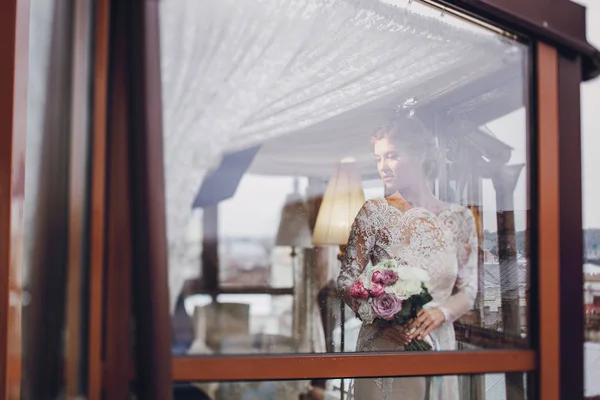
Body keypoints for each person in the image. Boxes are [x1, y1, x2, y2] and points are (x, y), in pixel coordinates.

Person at [338, 117, 478, 400]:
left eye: (392, 155)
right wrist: (381, 318)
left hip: (436, 342)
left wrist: (441, 313)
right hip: (383, 345)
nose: (383, 167)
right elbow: (346, 280)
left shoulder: (459, 219)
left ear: (420, 155)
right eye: (378, 158)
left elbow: (469, 291)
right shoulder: (373, 213)